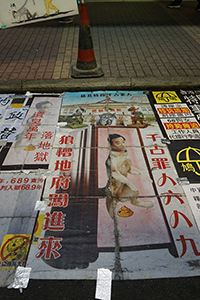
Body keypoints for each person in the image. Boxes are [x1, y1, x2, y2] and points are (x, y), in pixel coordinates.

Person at [103, 133, 153, 219]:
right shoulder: (112, 158)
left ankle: (135, 202)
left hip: (123, 186)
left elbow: (130, 169)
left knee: (135, 191)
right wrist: (130, 183)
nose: (122, 145)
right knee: (112, 210)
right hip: (114, 187)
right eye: (118, 143)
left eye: (123, 141)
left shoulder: (124, 154)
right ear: (111, 145)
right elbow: (114, 173)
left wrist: (142, 174)